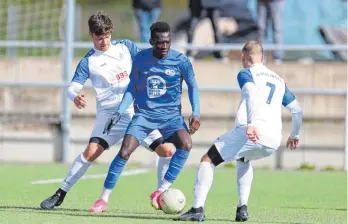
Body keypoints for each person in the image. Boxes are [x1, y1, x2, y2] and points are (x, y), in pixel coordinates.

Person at [40, 12, 175, 211]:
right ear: (91, 35)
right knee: (90, 152)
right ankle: (60, 193)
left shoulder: (126, 47)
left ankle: (161, 193)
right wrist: (75, 96)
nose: (103, 41)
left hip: (136, 112)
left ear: (111, 32)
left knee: (168, 151)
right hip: (109, 116)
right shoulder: (89, 61)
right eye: (99, 37)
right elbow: (72, 88)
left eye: (106, 36)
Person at [176, 40, 302, 222]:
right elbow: (297, 110)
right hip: (274, 139)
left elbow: (250, 93)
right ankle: (242, 208)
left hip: (252, 131)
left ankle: (197, 209)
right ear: (263, 57)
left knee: (207, 159)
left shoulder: (245, 73)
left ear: (243, 57)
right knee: (244, 158)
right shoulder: (279, 80)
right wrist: (294, 135)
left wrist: (252, 123)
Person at [89, 21, 201, 211]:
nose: (164, 46)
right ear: (151, 41)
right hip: (144, 116)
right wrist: (119, 111)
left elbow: (193, 87)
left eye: (167, 42)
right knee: (124, 151)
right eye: (159, 43)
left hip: (171, 117)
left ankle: (161, 191)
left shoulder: (181, 61)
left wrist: (196, 112)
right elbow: (132, 88)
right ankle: (103, 199)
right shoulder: (141, 59)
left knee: (186, 144)